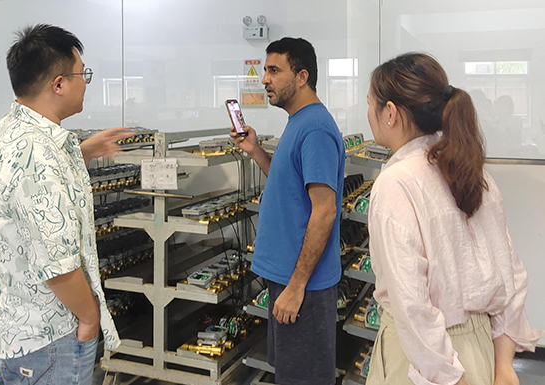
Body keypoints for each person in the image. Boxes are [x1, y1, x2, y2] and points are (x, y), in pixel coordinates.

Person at [364, 53, 542, 385]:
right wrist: (503, 364)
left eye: (370, 104)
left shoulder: (396, 182)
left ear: (390, 113)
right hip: (481, 347)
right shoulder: (473, 172)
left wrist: (449, 377)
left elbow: (411, 305)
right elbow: (511, 274)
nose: (369, 115)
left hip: (423, 361)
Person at [0, 24, 133, 385]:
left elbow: (25, 191)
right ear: (58, 84)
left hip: (12, 328)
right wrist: (90, 318)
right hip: (49, 338)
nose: (86, 82)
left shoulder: (6, 131)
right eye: (82, 74)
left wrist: (82, 151)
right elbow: (57, 266)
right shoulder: (37, 154)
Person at [230, 37, 345, 385]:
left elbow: (324, 212)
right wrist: (255, 151)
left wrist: (296, 288)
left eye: (274, 70)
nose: (264, 79)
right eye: (265, 70)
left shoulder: (316, 129)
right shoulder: (298, 122)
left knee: (304, 378)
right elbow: (291, 185)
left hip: (304, 288)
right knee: (292, 374)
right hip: (289, 280)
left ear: (301, 76)